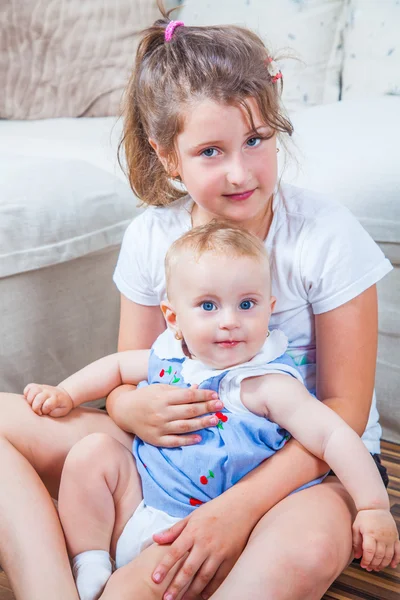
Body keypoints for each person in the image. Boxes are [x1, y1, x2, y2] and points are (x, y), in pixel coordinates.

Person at [0, 5, 396, 599]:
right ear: (168, 156)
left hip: (303, 466)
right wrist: (130, 411)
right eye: (211, 151)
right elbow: (130, 376)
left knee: (307, 548)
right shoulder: (153, 236)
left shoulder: (325, 236)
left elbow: (340, 412)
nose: (241, 172)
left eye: (256, 140)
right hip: (173, 456)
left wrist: (233, 513)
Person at [24, 222, 400, 600]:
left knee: (129, 592)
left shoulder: (265, 383)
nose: (229, 320)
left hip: (206, 521)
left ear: (269, 311)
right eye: (208, 306)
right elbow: (117, 366)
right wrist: (65, 394)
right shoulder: (171, 359)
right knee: (91, 453)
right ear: (173, 318)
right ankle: (89, 563)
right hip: (143, 497)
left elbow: (333, 434)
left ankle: (118, 581)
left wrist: (372, 506)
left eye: (247, 304)